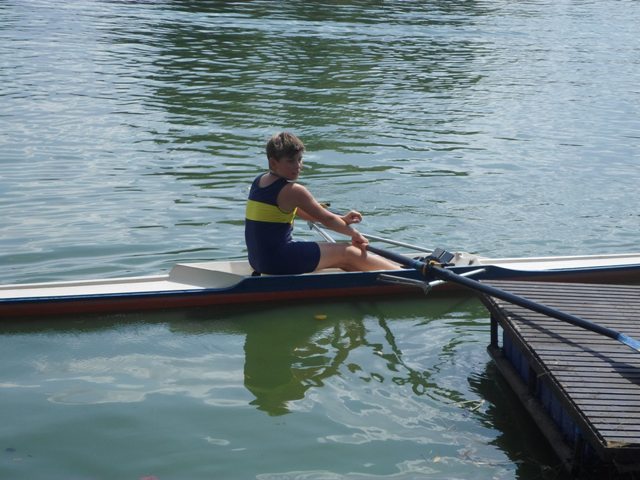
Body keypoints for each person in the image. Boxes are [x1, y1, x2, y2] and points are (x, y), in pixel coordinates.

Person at [245, 132, 398, 275]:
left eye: (299, 159)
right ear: (273, 163)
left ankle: (378, 277)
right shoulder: (294, 191)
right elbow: (328, 220)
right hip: (278, 260)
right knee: (348, 252)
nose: (298, 166)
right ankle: (402, 273)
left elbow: (305, 212)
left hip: (258, 261)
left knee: (344, 260)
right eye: (291, 161)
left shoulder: (259, 182)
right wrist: (355, 234)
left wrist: (342, 219)